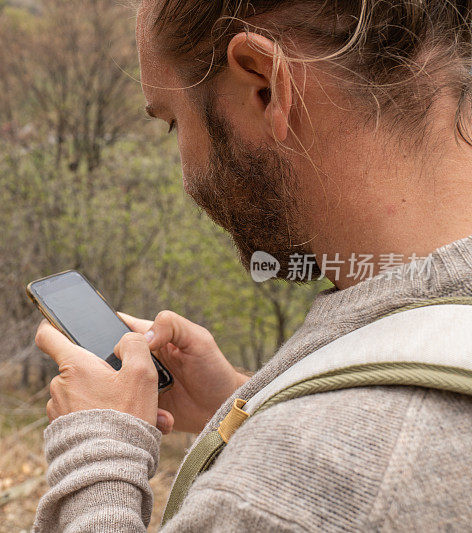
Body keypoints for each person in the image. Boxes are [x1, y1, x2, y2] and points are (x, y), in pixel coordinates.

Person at [31, 0, 472, 531]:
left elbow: (341, 473)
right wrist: (242, 399)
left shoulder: (294, 488)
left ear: (264, 84)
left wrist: (96, 451)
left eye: (174, 123)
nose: (185, 173)